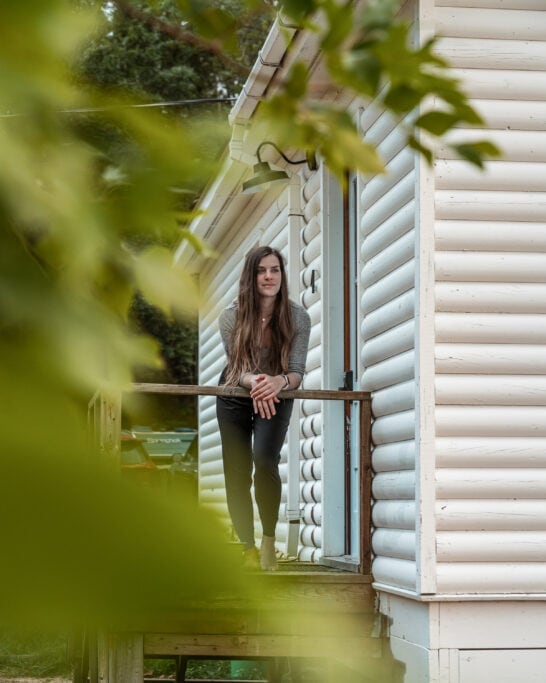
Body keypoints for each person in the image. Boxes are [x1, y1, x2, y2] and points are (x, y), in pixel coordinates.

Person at [216, 245, 311, 570]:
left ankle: (269, 541)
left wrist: (278, 383)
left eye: (275, 270)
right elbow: (236, 367)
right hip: (235, 391)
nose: (269, 277)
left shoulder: (298, 317)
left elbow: (297, 370)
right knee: (237, 470)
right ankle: (247, 547)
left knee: (264, 459)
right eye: (261, 271)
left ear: (282, 275)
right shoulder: (231, 316)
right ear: (250, 276)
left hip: (278, 392)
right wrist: (257, 383)